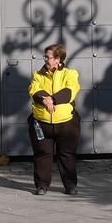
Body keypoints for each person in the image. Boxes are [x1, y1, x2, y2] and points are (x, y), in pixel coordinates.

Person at [27, 42, 80, 196]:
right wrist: (45, 99)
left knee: (67, 154)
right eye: (45, 56)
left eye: (48, 57)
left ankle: (70, 185)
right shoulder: (38, 74)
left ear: (58, 59)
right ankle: (42, 185)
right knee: (42, 154)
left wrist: (53, 99)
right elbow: (34, 89)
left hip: (67, 124)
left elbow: (71, 90)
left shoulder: (70, 73)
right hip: (41, 123)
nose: (45, 59)